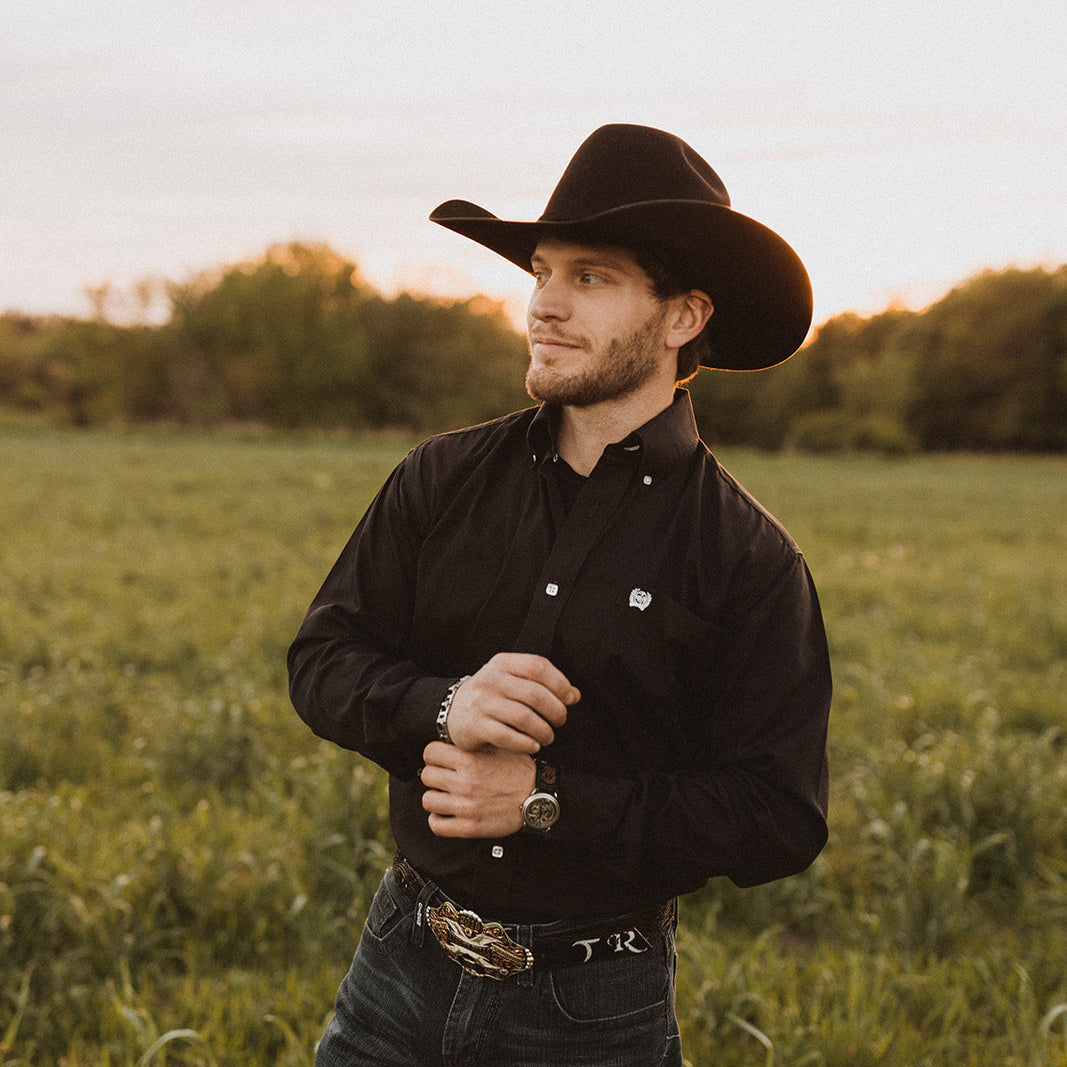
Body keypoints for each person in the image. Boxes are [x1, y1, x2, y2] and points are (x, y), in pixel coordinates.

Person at [288, 123, 831, 1067]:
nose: (543, 304)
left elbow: (774, 814)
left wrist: (545, 800)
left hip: (592, 1011)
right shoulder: (438, 477)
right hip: (396, 968)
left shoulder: (746, 558)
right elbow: (322, 660)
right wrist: (445, 704)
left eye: (590, 278)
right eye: (540, 272)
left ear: (681, 317)